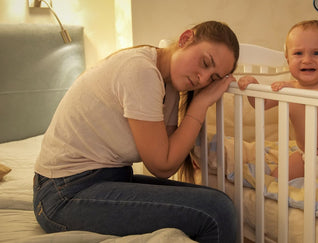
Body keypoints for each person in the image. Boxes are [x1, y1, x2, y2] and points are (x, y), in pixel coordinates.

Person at [33, 21, 239, 242]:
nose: (203, 79)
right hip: (64, 194)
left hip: (105, 180)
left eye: (213, 79)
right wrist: (201, 104)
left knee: (218, 200)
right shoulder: (141, 70)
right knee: (216, 211)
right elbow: (162, 165)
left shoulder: (168, 86)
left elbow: (169, 155)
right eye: (205, 63)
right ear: (185, 38)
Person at [238, 20, 318, 180]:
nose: (307, 59)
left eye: (316, 53)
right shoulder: (288, 88)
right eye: (298, 53)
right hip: (305, 155)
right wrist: (252, 87)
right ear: (288, 59)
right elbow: (262, 105)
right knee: (277, 178)